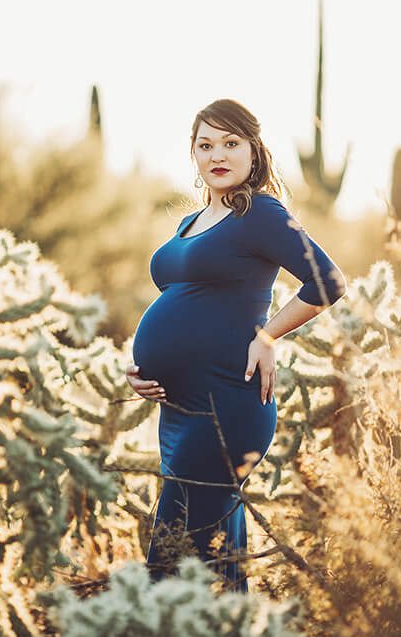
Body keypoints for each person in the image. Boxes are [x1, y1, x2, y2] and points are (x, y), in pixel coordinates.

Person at [126, 99, 345, 591]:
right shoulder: (190, 223)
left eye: (231, 143)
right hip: (180, 411)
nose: (217, 154)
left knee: (179, 545)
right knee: (216, 547)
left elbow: (327, 281)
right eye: (206, 145)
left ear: (253, 150)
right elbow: (191, 304)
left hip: (226, 401)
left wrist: (268, 334)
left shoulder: (260, 213)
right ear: (193, 154)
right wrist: (142, 369)